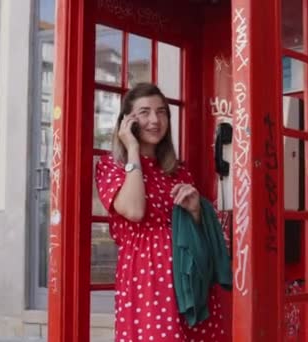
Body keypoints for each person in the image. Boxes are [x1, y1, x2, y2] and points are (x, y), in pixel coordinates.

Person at [95, 83, 226, 341]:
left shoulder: (177, 170)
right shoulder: (112, 166)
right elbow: (134, 210)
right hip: (147, 276)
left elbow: (194, 226)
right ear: (127, 121)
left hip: (189, 276)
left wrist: (197, 210)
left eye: (162, 112)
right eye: (144, 112)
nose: (155, 120)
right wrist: (132, 148)